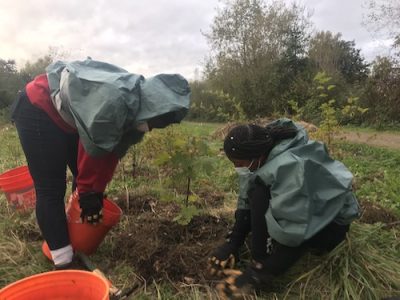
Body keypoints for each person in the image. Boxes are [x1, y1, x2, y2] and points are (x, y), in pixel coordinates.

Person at [11, 58, 191, 269]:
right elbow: (95, 146)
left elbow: (111, 150)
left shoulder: (136, 107)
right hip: (38, 107)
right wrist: (88, 193)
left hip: (70, 118)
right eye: (151, 124)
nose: (150, 129)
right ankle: (63, 260)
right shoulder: (115, 101)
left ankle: (73, 235)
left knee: (84, 179)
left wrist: (96, 191)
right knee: (51, 187)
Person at [208, 118, 359, 298]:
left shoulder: (292, 169)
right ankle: (262, 257)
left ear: (255, 156)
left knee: (260, 196)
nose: (237, 168)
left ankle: (261, 261)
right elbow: (245, 199)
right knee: (257, 192)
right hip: (305, 210)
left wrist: (257, 273)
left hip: (330, 225)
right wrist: (233, 243)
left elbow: (296, 233)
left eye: (239, 163)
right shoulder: (261, 156)